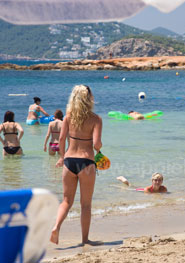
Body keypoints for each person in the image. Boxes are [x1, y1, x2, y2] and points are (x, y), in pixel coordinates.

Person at [50, 85, 102, 245]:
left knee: (66, 201)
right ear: (89, 99)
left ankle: (56, 226)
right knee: (85, 204)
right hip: (86, 162)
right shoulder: (96, 119)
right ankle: (85, 239)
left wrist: (61, 158)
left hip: (69, 162)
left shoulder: (67, 117)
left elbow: (61, 140)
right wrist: (99, 148)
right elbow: (96, 144)